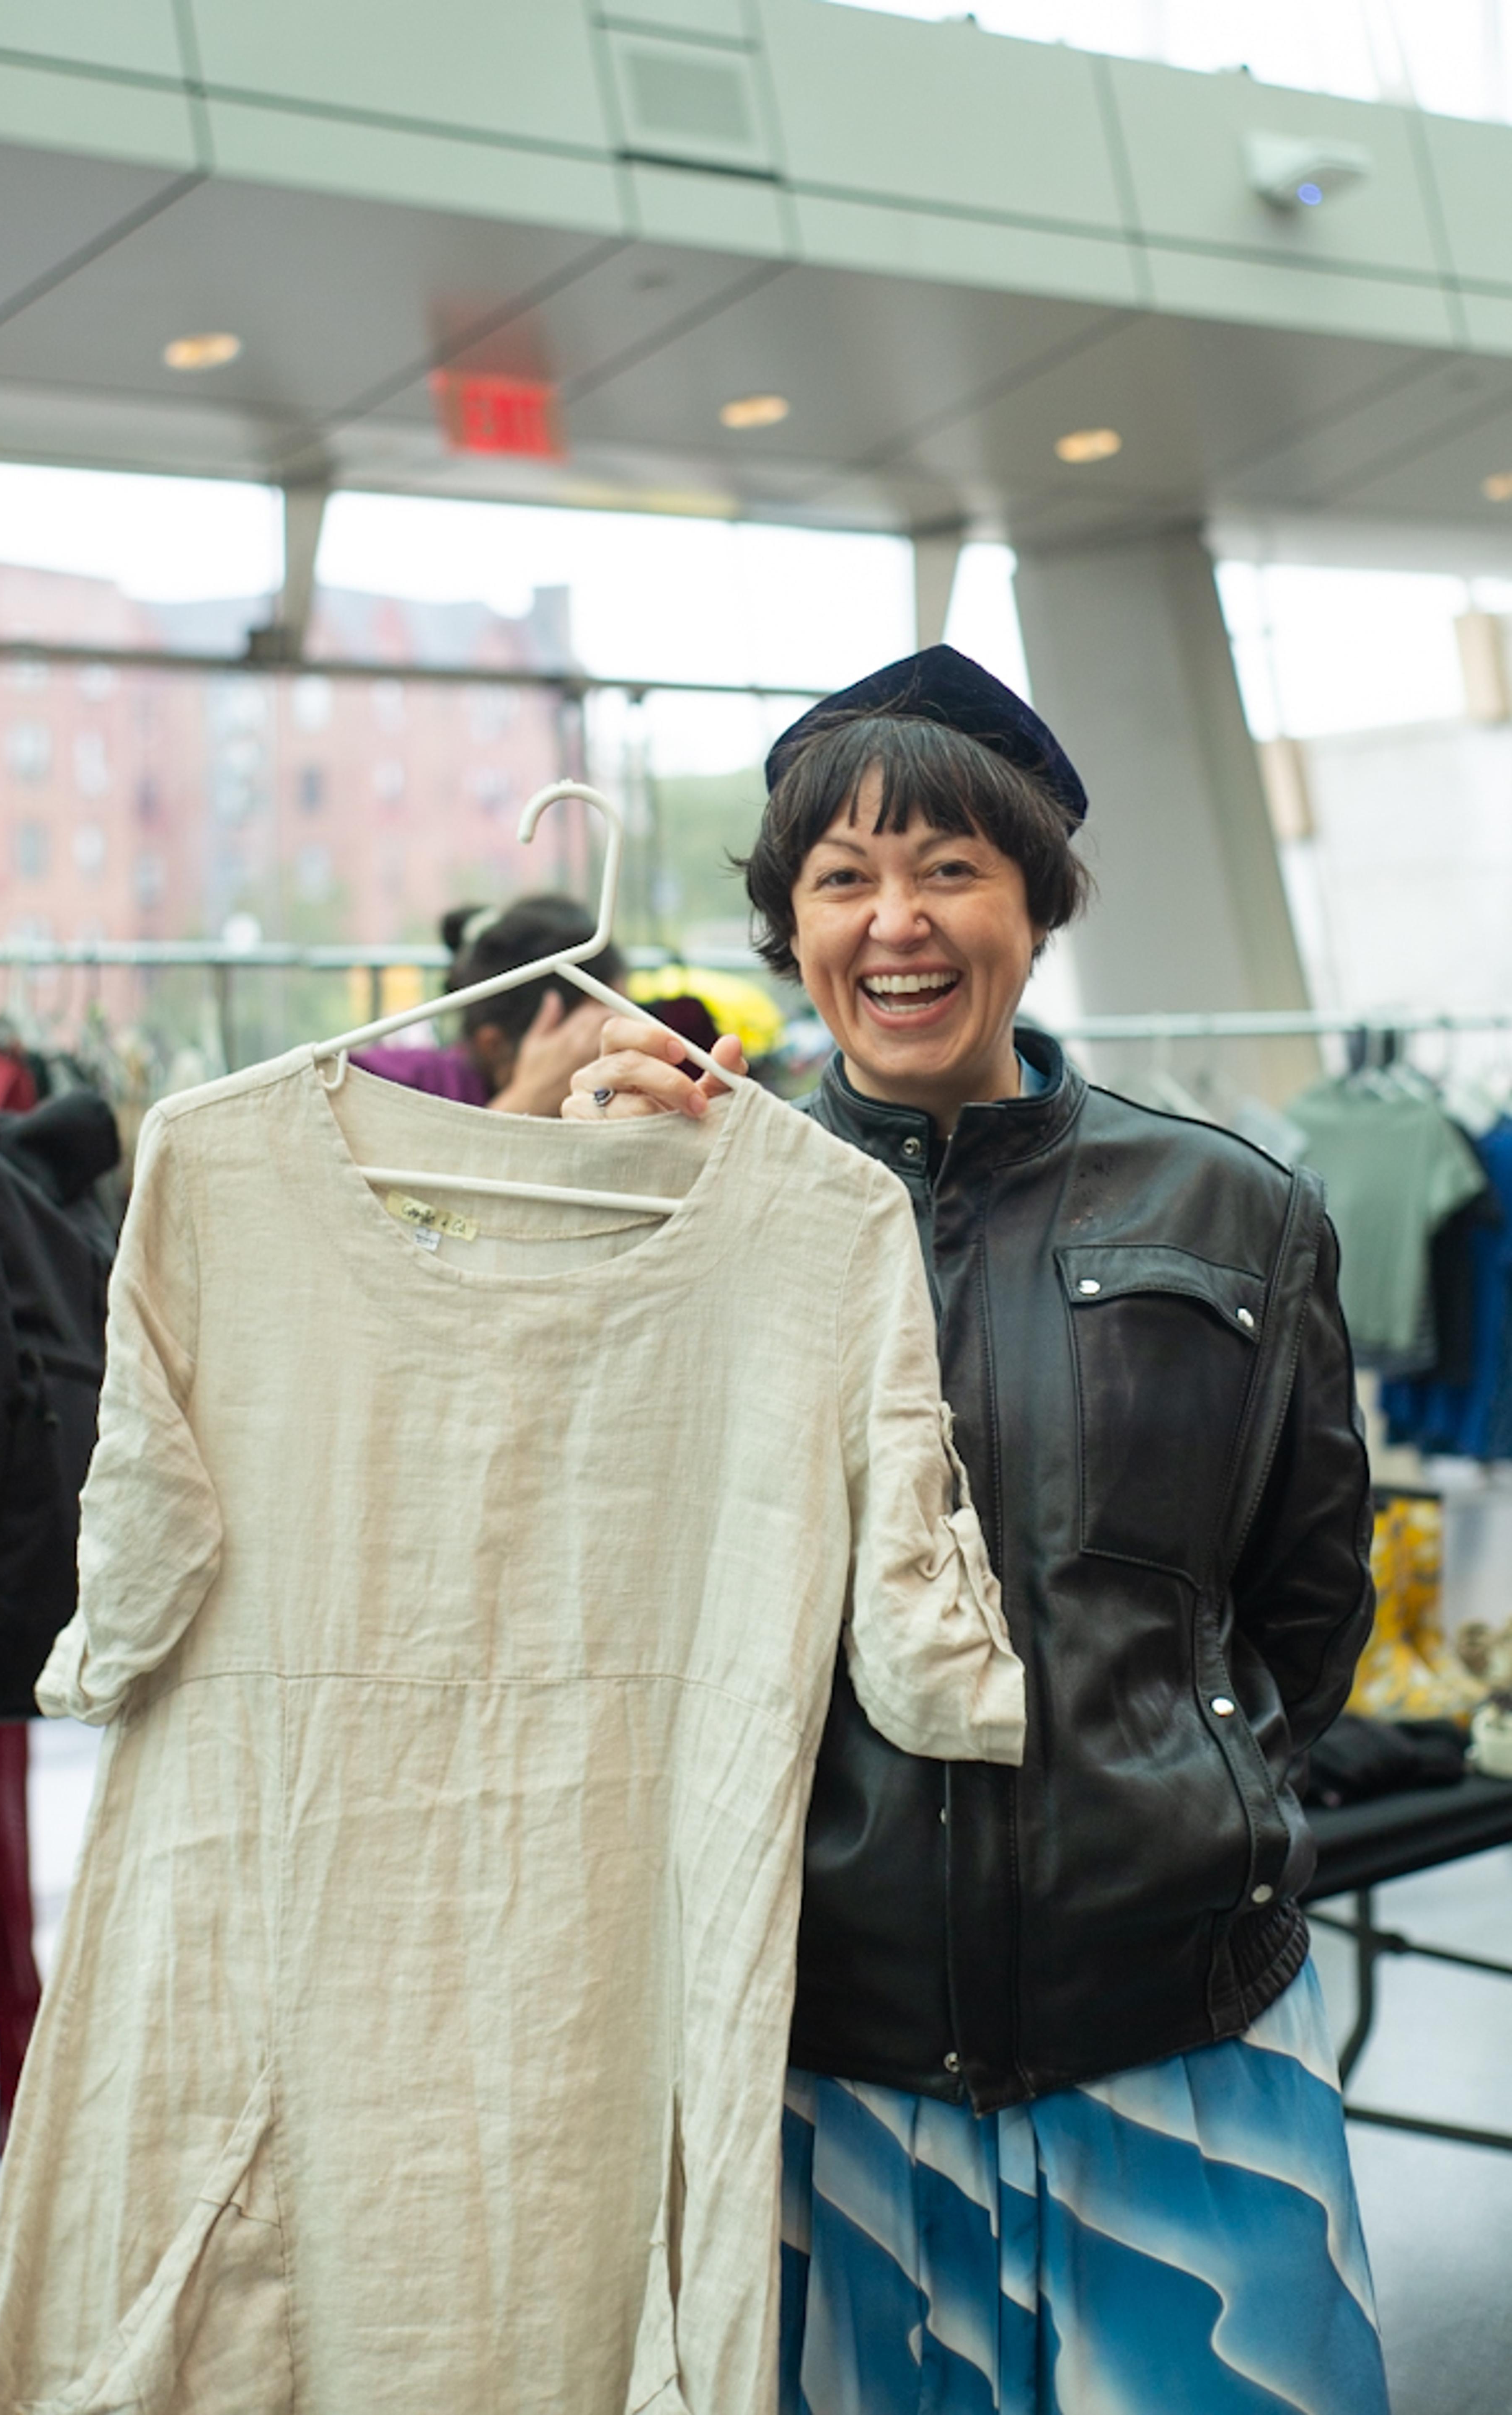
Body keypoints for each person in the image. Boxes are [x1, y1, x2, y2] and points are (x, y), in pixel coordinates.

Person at [565, 644, 1388, 2415]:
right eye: (841, 879)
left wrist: (1197, 1783)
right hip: (825, 2040)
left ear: (1037, 898)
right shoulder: (719, 1198)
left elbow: (1310, 1603)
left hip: (1172, 2026)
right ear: (789, 926)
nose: (895, 922)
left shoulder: (1231, 1210)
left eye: (949, 868)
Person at [352, 894, 621, 1116]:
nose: (615, 1049)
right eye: (588, 1036)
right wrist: (528, 1100)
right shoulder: (388, 1086)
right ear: (493, 1045)